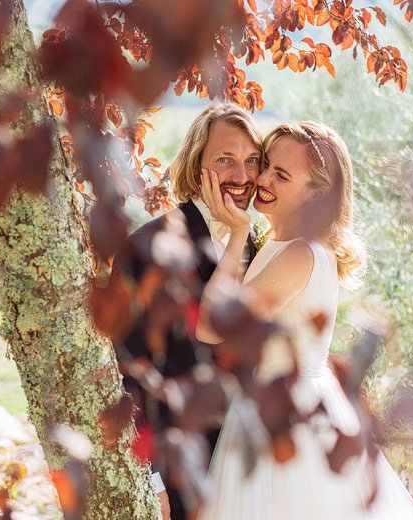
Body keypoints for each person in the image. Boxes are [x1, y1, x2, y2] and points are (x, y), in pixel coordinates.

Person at [195, 121, 413, 519]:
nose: (262, 178)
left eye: (281, 175)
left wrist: (237, 233)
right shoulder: (280, 244)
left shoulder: (300, 254)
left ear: (316, 193)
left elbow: (210, 326)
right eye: (266, 164)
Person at [112, 103, 264, 519]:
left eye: (252, 161)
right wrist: (149, 479)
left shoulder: (253, 243)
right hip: (179, 467)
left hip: (246, 461)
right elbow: (126, 369)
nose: (241, 176)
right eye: (225, 160)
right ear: (197, 166)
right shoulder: (147, 246)